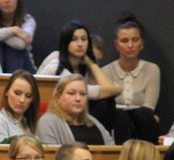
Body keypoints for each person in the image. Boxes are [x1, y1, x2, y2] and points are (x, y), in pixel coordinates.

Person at [37, 20, 122, 134]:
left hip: (76, 112)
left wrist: (91, 63)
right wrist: (118, 88)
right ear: (66, 42)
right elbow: (90, 92)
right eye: (74, 39)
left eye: (84, 39)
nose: (80, 44)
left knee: (115, 110)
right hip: (53, 115)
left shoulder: (84, 65)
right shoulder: (57, 65)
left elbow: (108, 88)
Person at [101, 13, 160, 143]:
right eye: (124, 41)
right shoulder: (105, 71)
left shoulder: (152, 69)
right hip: (114, 125)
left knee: (144, 115)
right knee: (120, 117)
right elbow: (107, 108)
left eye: (135, 40)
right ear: (116, 45)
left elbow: (148, 108)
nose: (130, 45)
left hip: (143, 125)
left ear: (142, 43)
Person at [36, 75, 114, 146]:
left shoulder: (93, 121)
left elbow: (112, 150)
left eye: (83, 94)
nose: (78, 99)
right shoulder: (48, 122)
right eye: (71, 93)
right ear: (58, 97)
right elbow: (50, 156)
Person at [0, 0, 36, 74]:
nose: (7, 1)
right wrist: (13, 30)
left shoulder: (28, 20)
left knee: (12, 49)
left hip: (25, 70)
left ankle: (13, 83)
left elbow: (20, 44)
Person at [0, 70, 40, 144]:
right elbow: (3, 154)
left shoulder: (30, 124)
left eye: (28, 96)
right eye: (17, 93)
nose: (22, 100)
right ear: (6, 92)